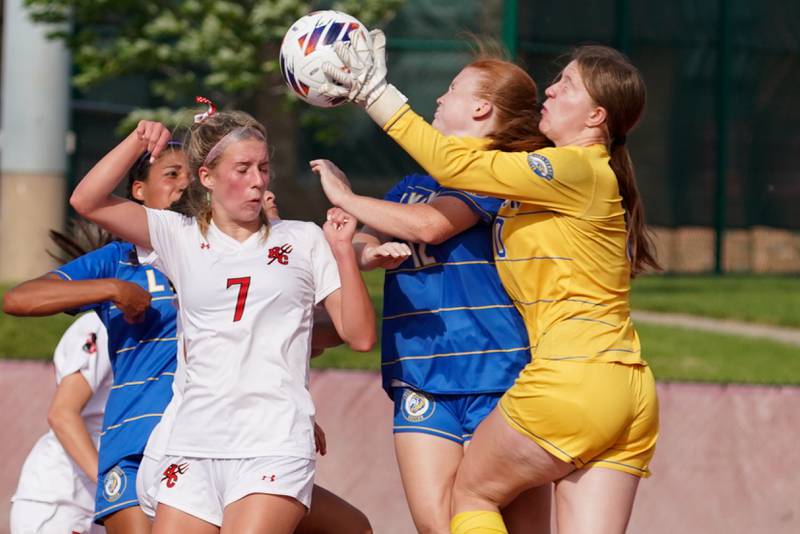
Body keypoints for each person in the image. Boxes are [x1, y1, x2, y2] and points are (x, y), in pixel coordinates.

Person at [321, 37, 660, 534]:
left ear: (595, 117)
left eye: (566, 87)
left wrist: (376, 94)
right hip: (629, 390)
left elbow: (455, 170)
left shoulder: (573, 167)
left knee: (470, 495)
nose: (550, 90)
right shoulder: (566, 176)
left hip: (573, 380)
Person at [68, 108, 376, 533]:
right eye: (243, 168)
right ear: (206, 176)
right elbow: (88, 200)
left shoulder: (302, 239)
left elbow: (359, 337)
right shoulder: (179, 236)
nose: (258, 180)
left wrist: (342, 251)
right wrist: (139, 140)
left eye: (264, 168)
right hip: (192, 442)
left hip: (273, 439)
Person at [311, 56, 556, 534]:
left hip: (499, 375)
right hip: (421, 376)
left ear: (482, 109)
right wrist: (368, 252)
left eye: (452, 89)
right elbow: (369, 232)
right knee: (439, 526)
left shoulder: (500, 174)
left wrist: (344, 195)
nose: (440, 98)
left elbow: (432, 225)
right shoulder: (413, 185)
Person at [134, 189, 373, 534]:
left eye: (263, 173)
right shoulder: (211, 257)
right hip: (199, 445)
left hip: (247, 442)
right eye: (244, 171)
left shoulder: (288, 257)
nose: (263, 190)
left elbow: (340, 333)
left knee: (353, 527)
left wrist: (349, 257)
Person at [3, 142, 191, 533]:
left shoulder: (207, 266)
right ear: (138, 191)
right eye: (172, 174)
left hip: (176, 459)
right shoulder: (103, 314)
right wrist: (108, 483)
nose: (184, 186)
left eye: (192, 175)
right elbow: (62, 414)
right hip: (65, 498)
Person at [9, 313, 111, 534]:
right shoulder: (102, 324)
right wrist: (111, 489)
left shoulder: (177, 321)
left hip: (100, 506)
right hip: (62, 502)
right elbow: (62, 415)